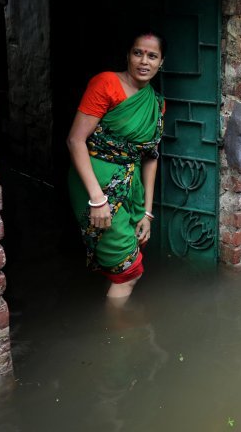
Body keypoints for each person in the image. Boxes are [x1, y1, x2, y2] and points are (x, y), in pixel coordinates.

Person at [67, 32, 165, 301]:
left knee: (126, 259)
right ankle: (118, 336)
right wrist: (97, 200)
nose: (144, 61)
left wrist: (147, 212)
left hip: (130, 189)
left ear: (161, 62)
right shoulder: (106, 83)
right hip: (95, 186)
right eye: (138, 53)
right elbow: (75, 140)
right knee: (129, 273)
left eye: (152, 56)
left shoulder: (156, 103)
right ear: (128, 55)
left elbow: (150, 157)